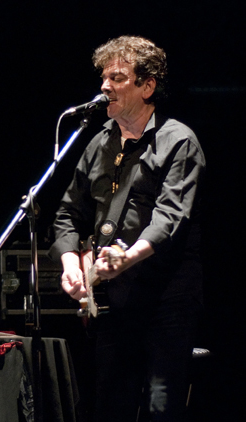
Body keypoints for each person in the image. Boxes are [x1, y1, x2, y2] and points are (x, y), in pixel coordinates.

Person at [48, 36, 205, 421]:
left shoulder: (178, 141)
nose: (105, 86)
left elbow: (170, 217)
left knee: (159, 408)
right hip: (114, 306)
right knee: (109, 407)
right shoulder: (98, 143)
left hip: (165, 303)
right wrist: (70, 265)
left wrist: (127, 258)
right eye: (104, 78)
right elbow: (67, 212)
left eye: (117, 78)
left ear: (147, 86)